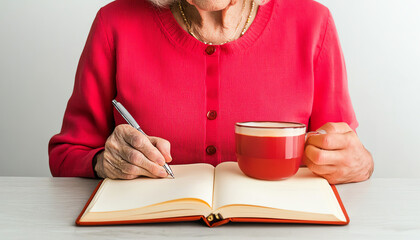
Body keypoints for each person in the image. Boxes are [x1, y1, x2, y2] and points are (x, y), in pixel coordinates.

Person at [49, 0, 374, 184]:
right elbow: (65, 154)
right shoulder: (114, 23)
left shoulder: (314, 23)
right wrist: (103, 161)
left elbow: (344, 152)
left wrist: (361, 164)